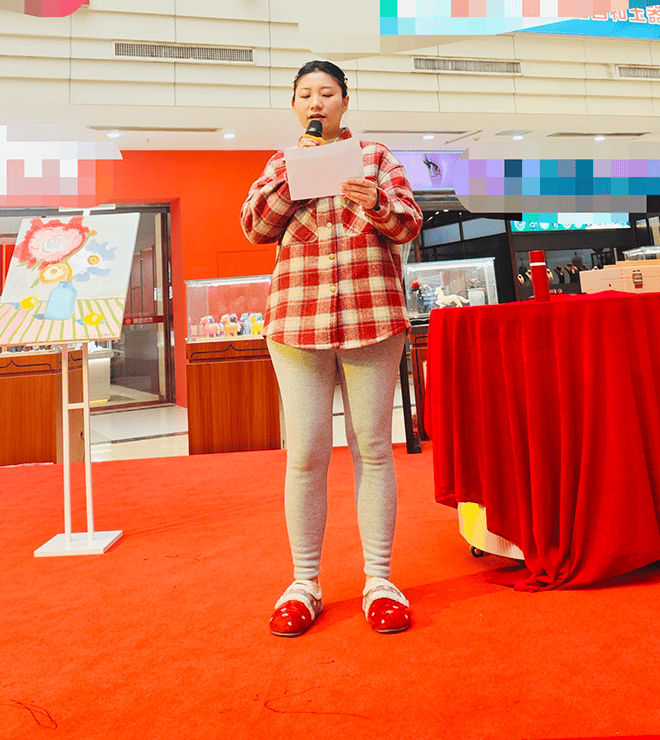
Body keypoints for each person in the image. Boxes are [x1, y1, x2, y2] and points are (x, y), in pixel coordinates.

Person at [240, 60, 423, 636]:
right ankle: (304, 583)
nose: (315, 103)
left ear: (345, 100)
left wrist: (376, 201)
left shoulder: (376, 157)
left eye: (326, 93)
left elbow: (409, 224)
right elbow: (253, 228)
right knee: (306, 452)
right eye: (305, 95)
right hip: (297, 322)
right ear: (294, 106)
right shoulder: (280, 163)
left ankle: (380, 581)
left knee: (374, 447)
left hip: (373, 316)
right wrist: (291, 182)